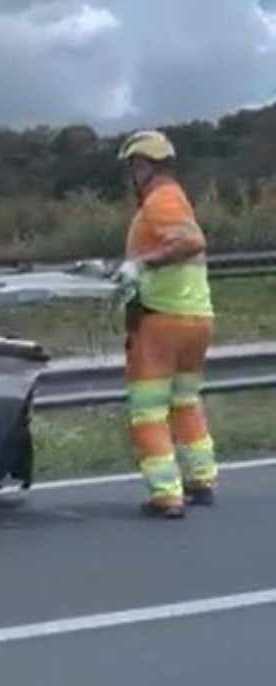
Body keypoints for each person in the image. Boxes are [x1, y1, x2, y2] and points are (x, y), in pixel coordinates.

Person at [110, 129, 218, 519]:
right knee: (185, 401)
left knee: (147, 411)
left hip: (161, 322)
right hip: (196, 319)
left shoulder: (162, 200)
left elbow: (191, 243)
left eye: (133, 167)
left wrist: (140, 264)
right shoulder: (176, 198)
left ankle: (165, 495)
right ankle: (202, 479)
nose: (132, 176)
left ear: (142, 165)